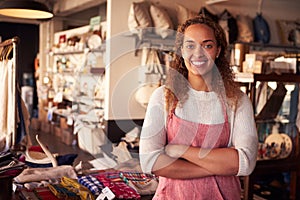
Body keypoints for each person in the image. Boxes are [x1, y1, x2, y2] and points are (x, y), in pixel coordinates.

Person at [139, 15, 258, 199]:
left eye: (207, 45)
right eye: (190, 46)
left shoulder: (237, 100)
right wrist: (218, 166)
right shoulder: (163, 97)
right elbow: (150, 161)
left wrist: (180, 150)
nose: (198, 53)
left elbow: (245, 162)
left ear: (218, 51)